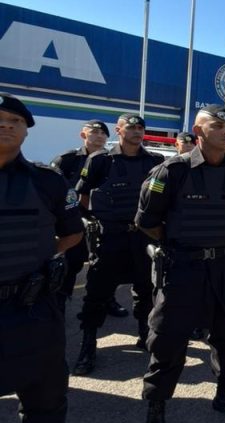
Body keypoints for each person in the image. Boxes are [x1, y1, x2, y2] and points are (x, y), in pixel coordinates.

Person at [134, 104, 225, 423]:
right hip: (183, 270)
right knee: (168, 343)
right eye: (216, 125)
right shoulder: (171, 170)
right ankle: (155, 421)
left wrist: (217, 246)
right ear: (198, 130)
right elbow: (147, 221)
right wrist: (185, 245)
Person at [0, 93, 86, 423]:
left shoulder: (46, 180)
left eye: (15, 120)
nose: (6, 125)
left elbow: (72, 231)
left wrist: (40, 255)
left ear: (26, 129)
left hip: (30, 306)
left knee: (46, 389)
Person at [73, 113, 164, 374]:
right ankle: (88, 347)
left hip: (143, 237)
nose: (136, 132)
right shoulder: (100, 160)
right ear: (119, 130)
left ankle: (144, 335)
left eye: (140, 128)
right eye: (131, 127)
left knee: (146, 289)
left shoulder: (155, 161)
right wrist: (90, 221)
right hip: (111, 237)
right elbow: (80, 194)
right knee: (97, 294)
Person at [49, 120, 117, 315]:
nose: (99, 136)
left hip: (104, 222)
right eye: (94, 132)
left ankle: (109, 301)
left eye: (103, 133)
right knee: (72, 263)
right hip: (74, 222)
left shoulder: (112, 160)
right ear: (83, 135)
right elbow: (54, 193)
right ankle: (59, 303)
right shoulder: (67, 159)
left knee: (107, 265)